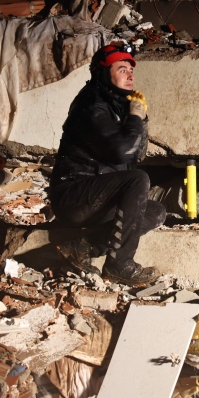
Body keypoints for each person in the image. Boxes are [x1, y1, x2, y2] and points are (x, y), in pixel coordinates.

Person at [49, 42, 165, 287]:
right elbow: (122, 152)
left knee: (156, 211)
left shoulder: (117, 105)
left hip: (98, 201)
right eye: (122, 69)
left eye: (131, 69)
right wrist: (134, 117)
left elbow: (136, 156)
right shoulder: (91, 105)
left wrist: (141, 120)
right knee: (138, 179)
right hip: (74, 196)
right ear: (102, 72)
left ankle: (82, 247)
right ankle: (119, 265)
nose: (130, 74)